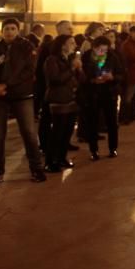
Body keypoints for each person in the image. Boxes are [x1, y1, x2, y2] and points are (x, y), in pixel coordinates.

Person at [0, 18, 46, 184]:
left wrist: (6, 84)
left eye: (13, 28)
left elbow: (28, 71)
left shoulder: (27, 47)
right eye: (6, 28)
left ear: (18, 30)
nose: (9, 32)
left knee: (28, 133)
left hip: (22, 95)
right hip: (0, 97)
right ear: (2, 31)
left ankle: (36, 168)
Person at [43, 35, 82, 172]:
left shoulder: (70, 59)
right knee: (57, 131)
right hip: (58, 99)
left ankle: (61, 157)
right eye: (71, 42)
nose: (74, 45)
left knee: (67, 131)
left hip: (70, 98)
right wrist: (71, 68)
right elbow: (55, 79)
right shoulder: (52, 60)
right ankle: (51, 161)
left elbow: (79, 79)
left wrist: (79, 69)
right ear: (62, 45)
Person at [80, 36, 121, 160]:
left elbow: (122, 74)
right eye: (100, 50)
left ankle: (113, 148)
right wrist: (92, 80)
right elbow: (81, 76)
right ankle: (94, 151)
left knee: (112, 122)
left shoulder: (112, 57)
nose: (103, 53)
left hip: (109, 93)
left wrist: (112, 77)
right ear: (94, 48)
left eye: (105, 50)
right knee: (92, 123)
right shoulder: (86, 58)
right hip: (92, 94)